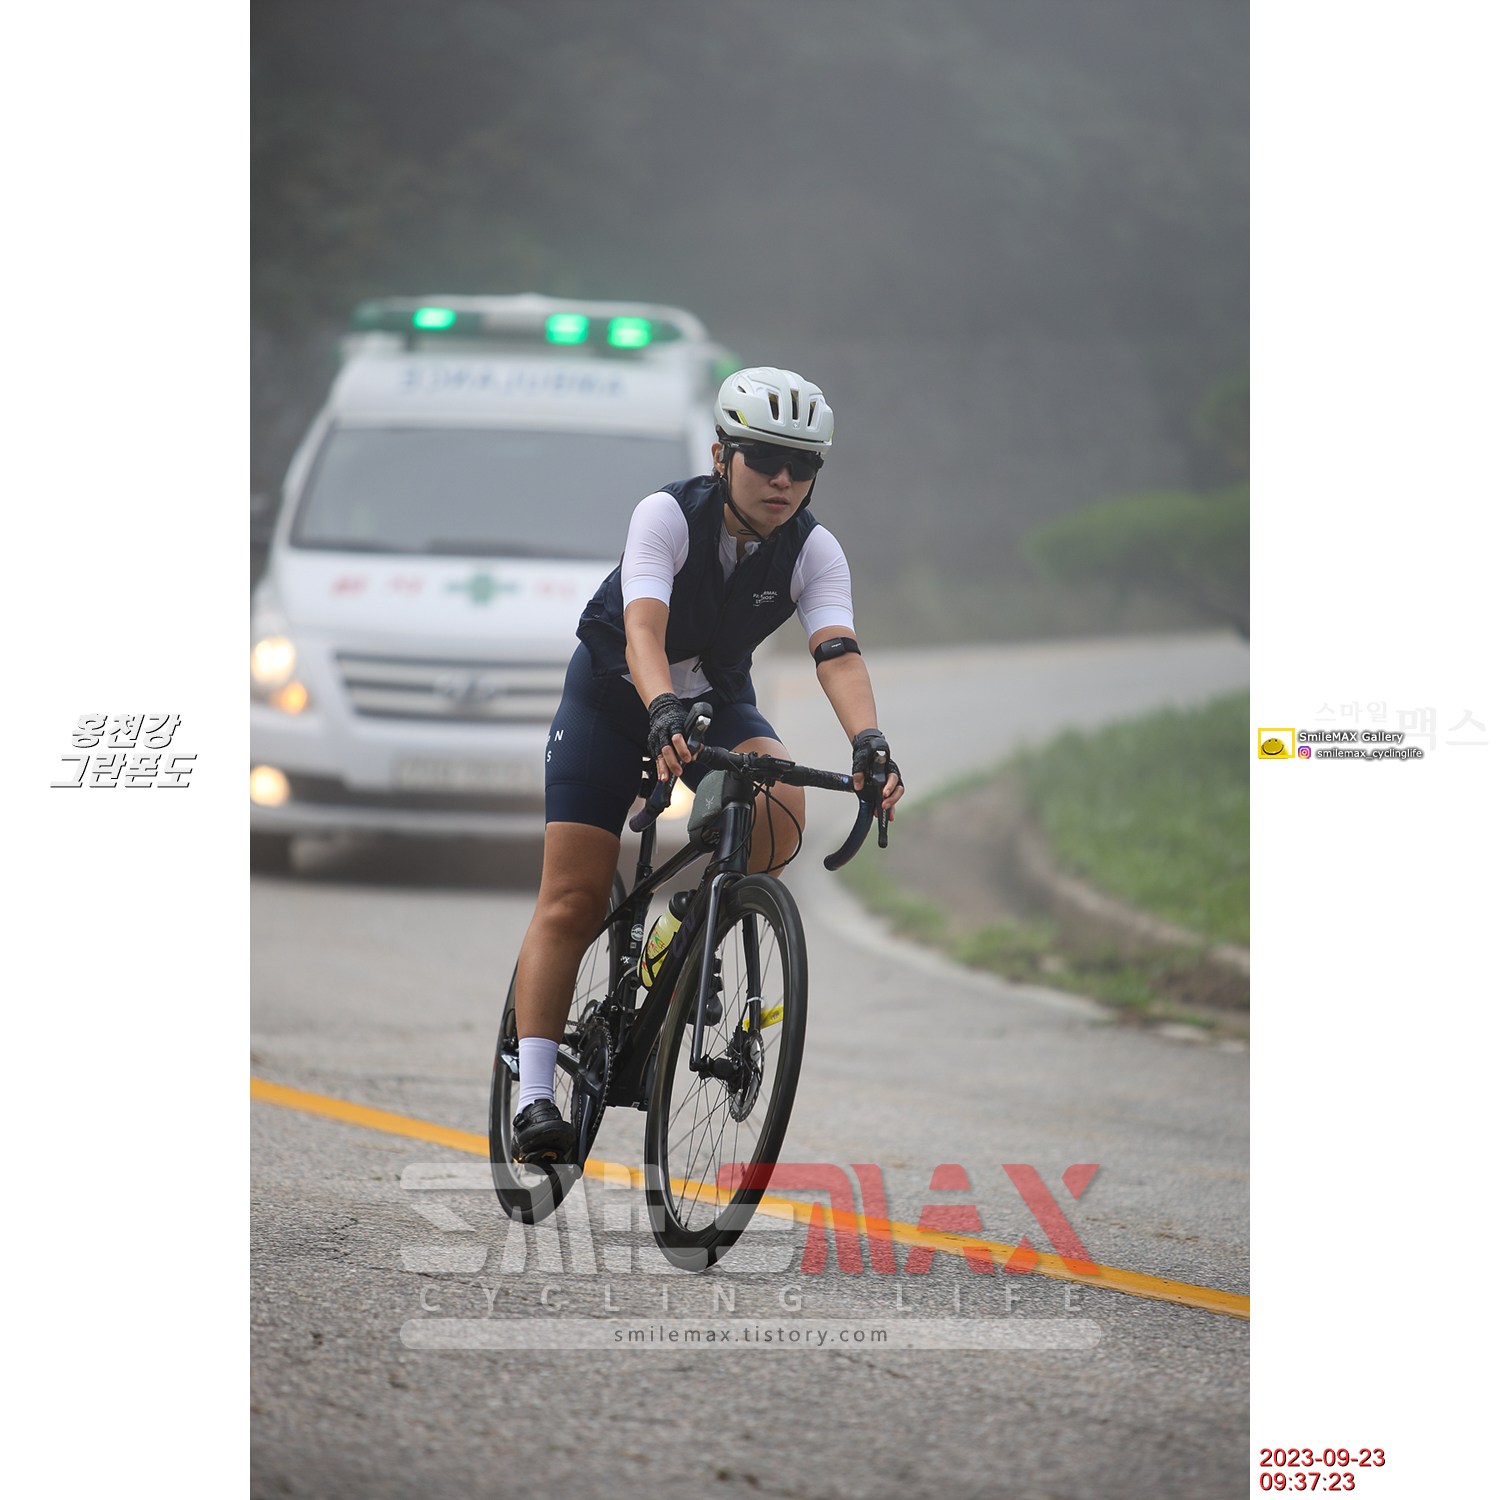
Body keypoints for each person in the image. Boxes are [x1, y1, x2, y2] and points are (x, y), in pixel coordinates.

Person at [510, 366, 904, 1162]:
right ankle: (534, 1095)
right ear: (723, 455)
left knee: (780, 806)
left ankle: (693, 921)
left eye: (803, 464)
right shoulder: (666, 515)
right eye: (766, 458)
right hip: (616, 696)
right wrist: (658, 707)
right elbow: (643, 630)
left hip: (713, 697)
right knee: (575, 897)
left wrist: (870, 743)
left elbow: (837, 652)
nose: (784, 479)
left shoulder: (814, 550)